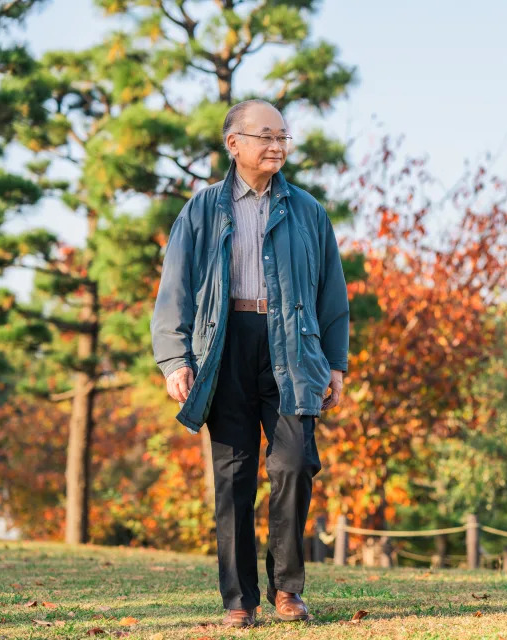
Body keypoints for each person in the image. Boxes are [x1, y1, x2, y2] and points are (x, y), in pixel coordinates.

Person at [150, 99, 349, 628]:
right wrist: (175, 359)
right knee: (233, 476)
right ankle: (240, 601)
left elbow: (333, 294)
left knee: (295, 463)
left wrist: (336, 365)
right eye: (266, 136)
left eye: (283, 137)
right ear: (233, 143)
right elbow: (174, 292)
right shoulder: (202, 209)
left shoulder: (308, 211)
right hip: (224, 346)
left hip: (293, 348)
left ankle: (288, 588)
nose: (277, 146)